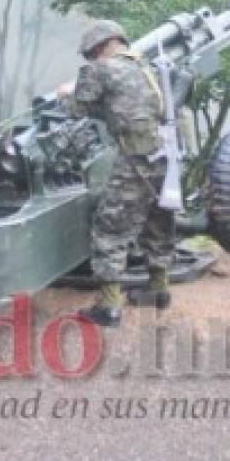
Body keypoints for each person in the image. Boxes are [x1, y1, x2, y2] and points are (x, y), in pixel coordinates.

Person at [58, 20, 175, 327]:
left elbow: (75, 111)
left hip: (133, 158)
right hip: (165, 156)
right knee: (157, 219)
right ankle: (158, 289)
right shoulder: (148, 68)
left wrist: (65, 93)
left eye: (92, 54)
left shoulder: (100, 69)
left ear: (99, 47)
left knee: (110, 228)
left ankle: (108, 307)